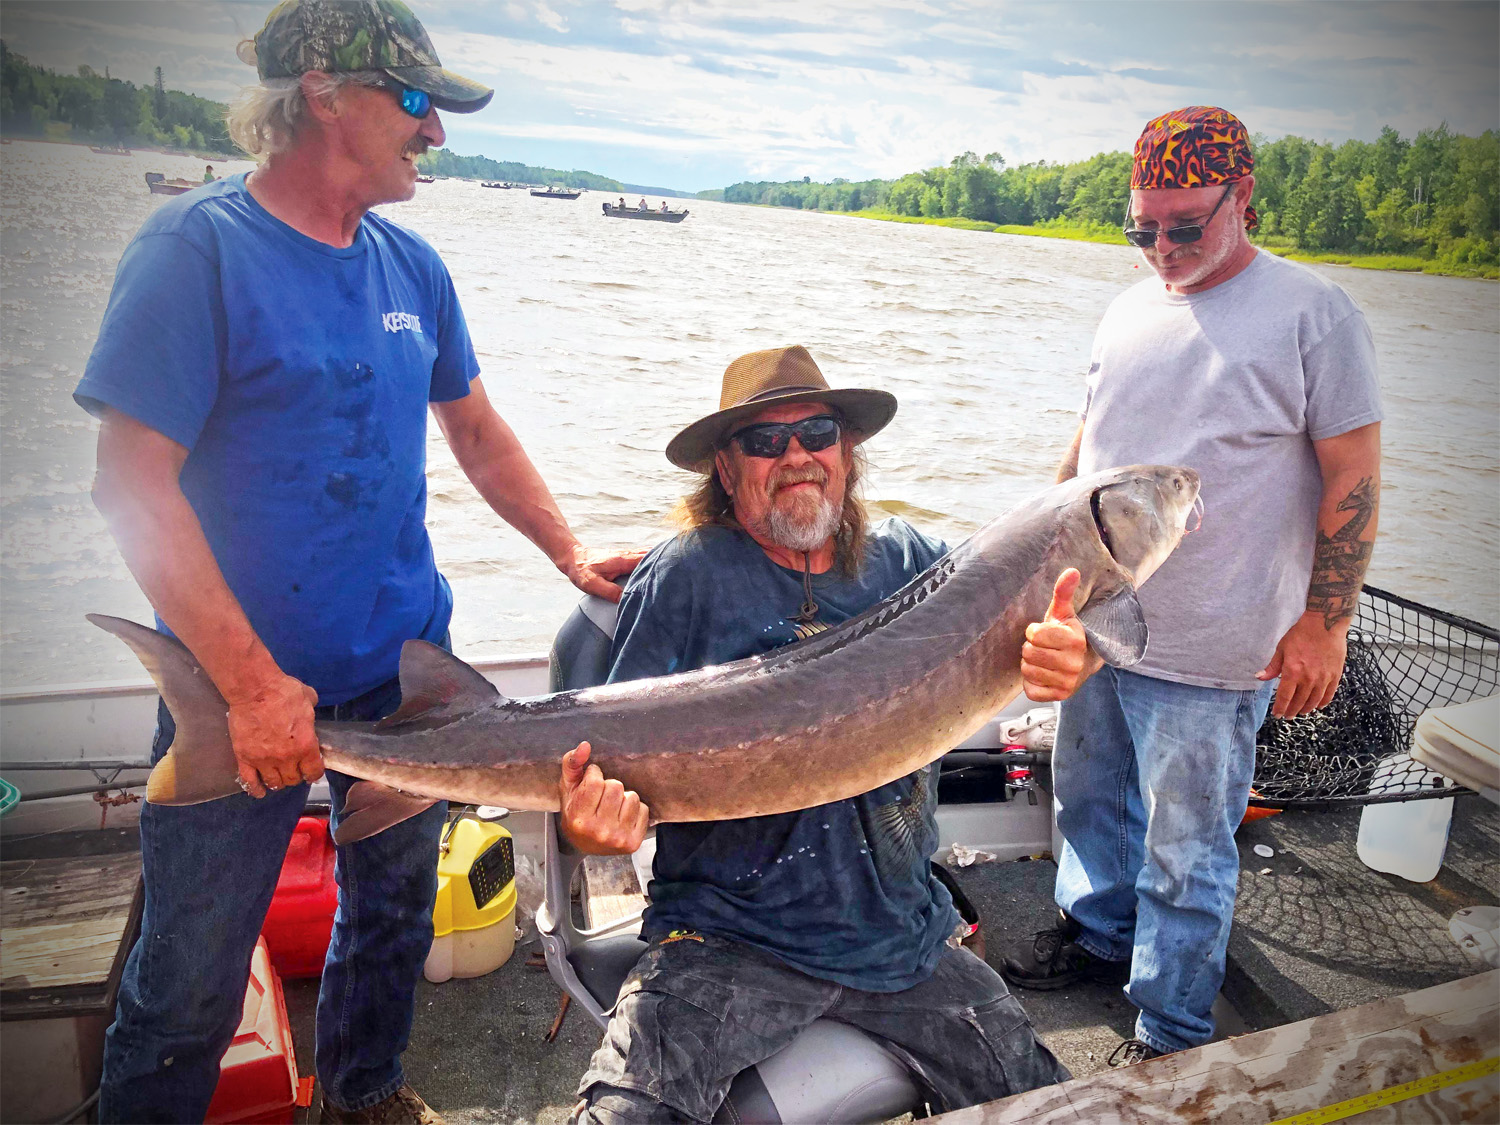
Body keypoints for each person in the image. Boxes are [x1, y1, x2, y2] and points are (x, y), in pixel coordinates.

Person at [74, 3, 641, 1122]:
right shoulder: (198, 252)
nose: (436, 135)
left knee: (390, 923)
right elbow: (128, 485)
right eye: (420, 103)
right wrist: (244, 684)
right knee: (189, 981)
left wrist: (568, 548)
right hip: (242, 696)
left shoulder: (410, 267)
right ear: (326, 91)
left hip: (405, 674)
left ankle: (364, 1097)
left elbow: (475, 431)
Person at [562, 345, 1095, 1123]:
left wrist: (1066, 658)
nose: (797, 456)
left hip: (904, 936)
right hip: (724, 939)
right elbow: (602, 765)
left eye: (815, 431)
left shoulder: (915, 565)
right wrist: (593, 830)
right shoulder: (683, 578)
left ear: (847, 449)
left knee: (1060, 1109)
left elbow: (1038, 631)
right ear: (725, 466)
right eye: (765, 441)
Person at [1001, 107, 1383, 1067]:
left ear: (1243, 197)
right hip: (1095, 625)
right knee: (1089, 799)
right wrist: (1028, 559)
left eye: (1185, 226)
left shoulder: (1314, 314)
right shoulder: (1128, 308)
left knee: (1187, 847)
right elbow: (1089, 453)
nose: (1161, 248)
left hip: (1220, 648)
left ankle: (1169, 1029)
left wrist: (1325, 624)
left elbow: (1355, 478)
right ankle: (1094, 933)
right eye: (1143, 228)